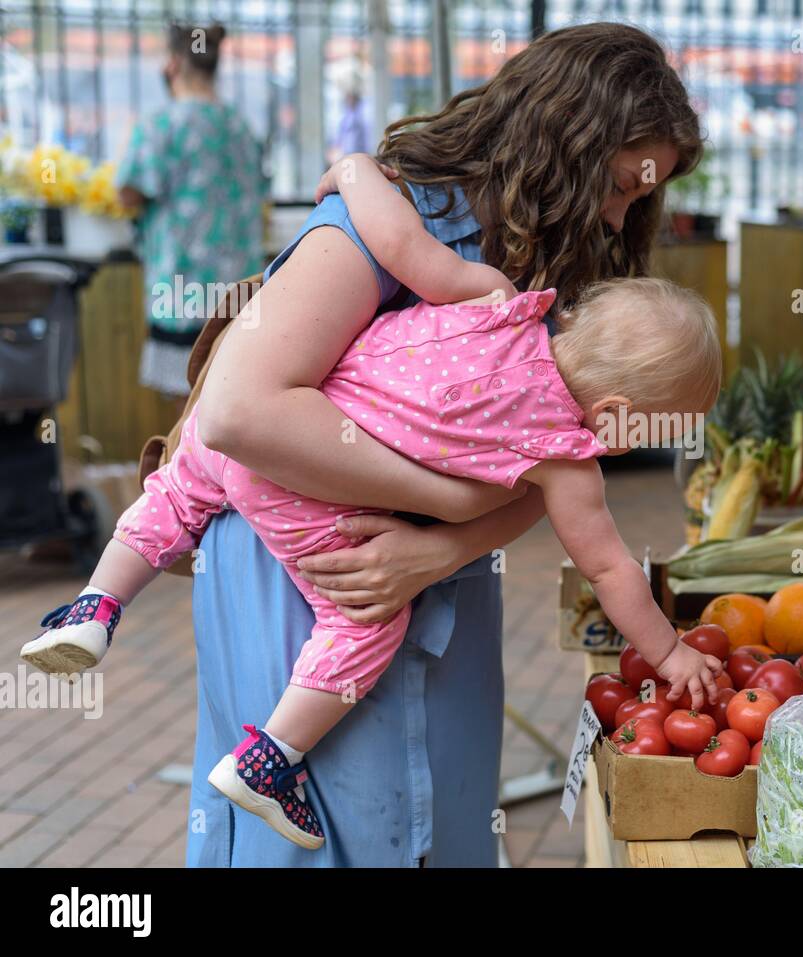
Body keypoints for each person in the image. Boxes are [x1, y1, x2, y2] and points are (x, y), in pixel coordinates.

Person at [22, 177, 722, 846]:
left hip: (265, 417)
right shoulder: (566, 461)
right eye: (657, 430)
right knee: (368, 620)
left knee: (174, 490)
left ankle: (96, 605)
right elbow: (607, 566)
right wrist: (666, 649)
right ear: (618, 415)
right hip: (312, 488)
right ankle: (270, 756)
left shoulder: (494, 295)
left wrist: (355, 173)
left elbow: (398, 242)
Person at [152, 22, 698, 867]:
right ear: (570, 139)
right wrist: (444, 507)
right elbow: (237, 414)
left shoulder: (539, 258)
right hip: (305, 576)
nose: (620, 214)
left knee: (431, 830)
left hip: (419, 584)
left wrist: (438, 550)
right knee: (312, 840)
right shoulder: (396, 220)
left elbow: (542, 480)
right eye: (623, 185)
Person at [115, 22, 267, 400]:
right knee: (232, 395)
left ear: (173, 64)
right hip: (239, 292)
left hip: (183, 290)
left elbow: (128, 192)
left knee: (190, 410)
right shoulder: (241, 126)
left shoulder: (160, 124)